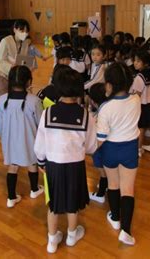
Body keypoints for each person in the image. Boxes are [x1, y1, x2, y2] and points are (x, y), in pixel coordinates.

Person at [34, 68, 97, 254]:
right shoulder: (86, 115)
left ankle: (52, 240)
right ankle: (71, 235)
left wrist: (40, 162)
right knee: (72, 201)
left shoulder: (48, 113)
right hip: (76, 165)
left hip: (53, 164)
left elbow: (40, 144)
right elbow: (92, 146)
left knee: (53, 204)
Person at [96, 63, 141, 245]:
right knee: (128, 189)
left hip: (110, 149)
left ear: (109, 85)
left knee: (113, 184)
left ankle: (115, 217)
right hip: (130, 148)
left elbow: (100, 138)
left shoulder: (106, 108)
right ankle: (126, 231)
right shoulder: (136, 99)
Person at [0, 66, 44, 208]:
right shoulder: (34, 101)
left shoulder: (2, 99)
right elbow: (40, 124)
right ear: (29, 82)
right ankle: (34, 189)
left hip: (10, 141)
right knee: (32, 164)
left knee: (13, 167)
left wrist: (3, 138)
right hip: (30, 140)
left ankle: (11, 198)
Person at [130, 49, 150, 155]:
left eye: (138, 61)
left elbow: (137, 94)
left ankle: (138, 149)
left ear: (145, 63)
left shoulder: (139, 76)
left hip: (143, 105)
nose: (135, 63)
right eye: (134, 60)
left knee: (141, 127)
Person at [0, 20, 30, 95]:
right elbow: (1, 60)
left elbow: (23, 58)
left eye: (26, 31)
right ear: (15, 29)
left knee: (14, 96)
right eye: (21, 30)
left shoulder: (25, 43)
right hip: (1, 73)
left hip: (15, 75)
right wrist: (12, 67)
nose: (24, 33)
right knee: (4, 97)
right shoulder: (6, 40)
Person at [88, 82, 109, 204]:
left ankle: (101, 193)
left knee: (102, 171)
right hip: (113, 146)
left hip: (100, 147)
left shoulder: (99, 114)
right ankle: (105, 186)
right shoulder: (109, 108)